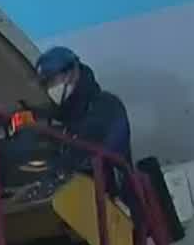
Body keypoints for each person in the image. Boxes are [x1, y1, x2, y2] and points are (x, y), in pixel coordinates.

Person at [33, 46, 133, 195]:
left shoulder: (107, 105)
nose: (50, 88)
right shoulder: (62, 119)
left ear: (71, 72)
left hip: (115, 200)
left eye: (52, 80)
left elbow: (105, 149)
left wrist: (66, 168)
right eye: (46, 84)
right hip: (79, 203)